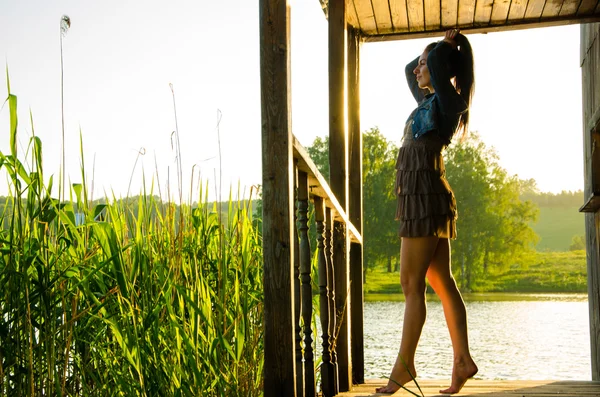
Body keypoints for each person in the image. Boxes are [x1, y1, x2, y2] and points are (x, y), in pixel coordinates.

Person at [376, 29, 478, 395]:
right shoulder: (426, 101)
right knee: (440, 282)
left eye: (426, 63)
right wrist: (433, 52)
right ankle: (463, 360)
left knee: (409, 283)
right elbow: (408, 69)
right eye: (421, 62)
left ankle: (404, 367)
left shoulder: (448, 102)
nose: (418, 68)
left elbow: (431, 66)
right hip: (422, 197)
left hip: (425, 198)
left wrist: (447, 49)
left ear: (440, 68)